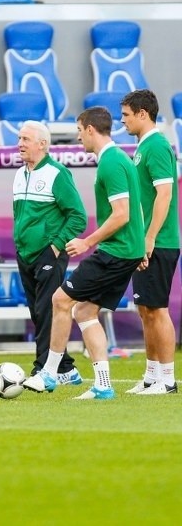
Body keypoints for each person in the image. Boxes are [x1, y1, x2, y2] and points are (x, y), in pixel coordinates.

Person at [23, 106, 145, 400]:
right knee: (85, 310)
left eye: (79, 131)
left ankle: (49, 374)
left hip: (115, 251)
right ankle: (103, 385)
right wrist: (140, 247)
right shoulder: (118, 159)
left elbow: (122, 214)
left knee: (60, 300)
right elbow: (135, 208)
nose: (78, 138)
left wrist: (87, 242)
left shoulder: (111, 163)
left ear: (91, 130)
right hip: (127, 250)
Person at [12, 120, 87, 384]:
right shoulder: (20, 173)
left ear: (42, 144)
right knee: (37, 312)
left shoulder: (57, 174)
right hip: (25, 254)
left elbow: (78, 216)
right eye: (19, 139)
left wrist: (55, 245)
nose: (20, 144)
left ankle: (43, 369)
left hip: (48, 253)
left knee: (46, 310)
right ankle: (66, 368)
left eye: (25, 139)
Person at [120, 89, 180, 394]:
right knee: (144, 309)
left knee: (157, 309)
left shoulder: (156, 146)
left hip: (159, 241)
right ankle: (151, 376)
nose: (123, 121)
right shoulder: (144, 146)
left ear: (143, 114)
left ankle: (167, 380)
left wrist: (150, 237)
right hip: (144, 240)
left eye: (127, 115)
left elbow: (165, 195)